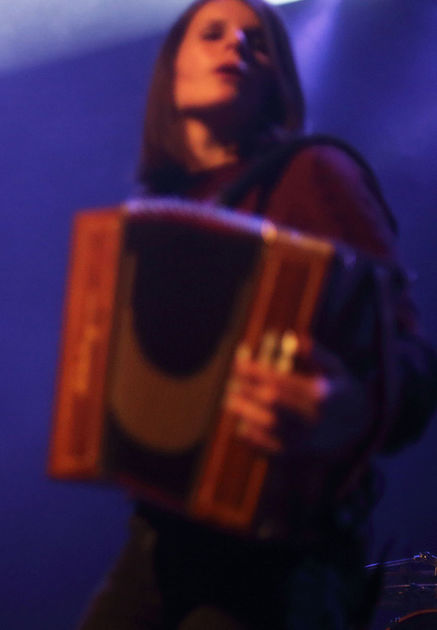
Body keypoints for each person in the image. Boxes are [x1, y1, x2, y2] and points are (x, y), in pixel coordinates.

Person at [75, 0, 437, 628]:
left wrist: (346, 405)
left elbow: (412, 363)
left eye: (258, 41)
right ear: (171, 71)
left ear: (280, 81)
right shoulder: (161, 209)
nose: (237, 46)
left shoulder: (312, 174)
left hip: (280, 558)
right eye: (212, 34)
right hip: (161, 542)